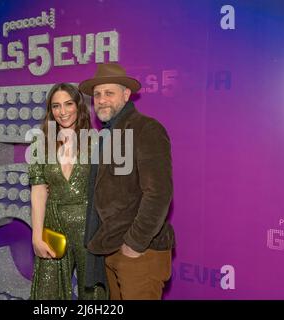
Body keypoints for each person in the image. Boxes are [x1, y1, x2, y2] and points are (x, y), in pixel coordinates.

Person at [79, 63, 175, 300]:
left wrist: (135, 243)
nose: (101, 100)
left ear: (125, 94)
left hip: (140, 253)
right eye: (97, 95)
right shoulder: (105, 135)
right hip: (109, 248)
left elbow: (159, 193)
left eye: (109, 93)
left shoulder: (146, 129)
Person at [29, 83, 107, 300]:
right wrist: (36, 236)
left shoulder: (96, 142)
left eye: (68, 104)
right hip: (53, 228)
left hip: (90, 229)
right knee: (47, 295)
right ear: (50, 110)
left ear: (78, 106)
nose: (62, 112)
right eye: (56, 106)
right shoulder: (40, 144)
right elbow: (38, 191)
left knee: (92, 294)